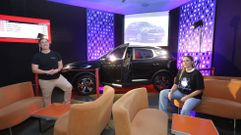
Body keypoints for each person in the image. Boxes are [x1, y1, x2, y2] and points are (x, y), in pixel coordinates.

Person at [31, 34, 72, 107]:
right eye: (42, 43)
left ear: (49, 43)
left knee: (69, 87)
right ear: (40, 45)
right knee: (47, 98)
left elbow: (60, 65)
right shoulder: (37, 56)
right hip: (45, 81)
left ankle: (66, 105)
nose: (45, 44)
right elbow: (34, 70)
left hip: (58, 78)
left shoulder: (56, 54)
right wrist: (46, 72)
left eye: (46, 42)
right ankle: (48, 114)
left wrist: (57, 70)